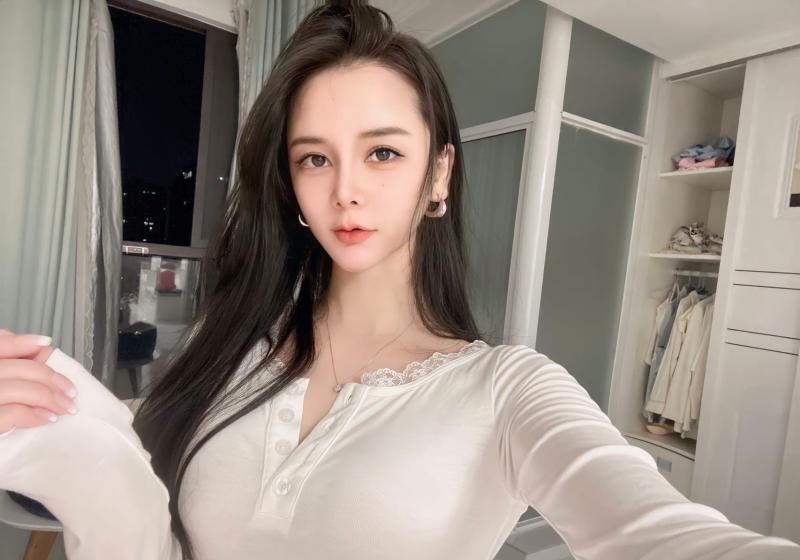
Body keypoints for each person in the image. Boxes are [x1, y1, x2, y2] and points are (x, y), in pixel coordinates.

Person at [1, 2, 800, 559]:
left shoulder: (508, 391)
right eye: (315, 158)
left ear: (439, 173)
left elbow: (655, 530)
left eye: (382, 152)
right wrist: (58, 419)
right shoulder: (232, 347)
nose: (346, 190)